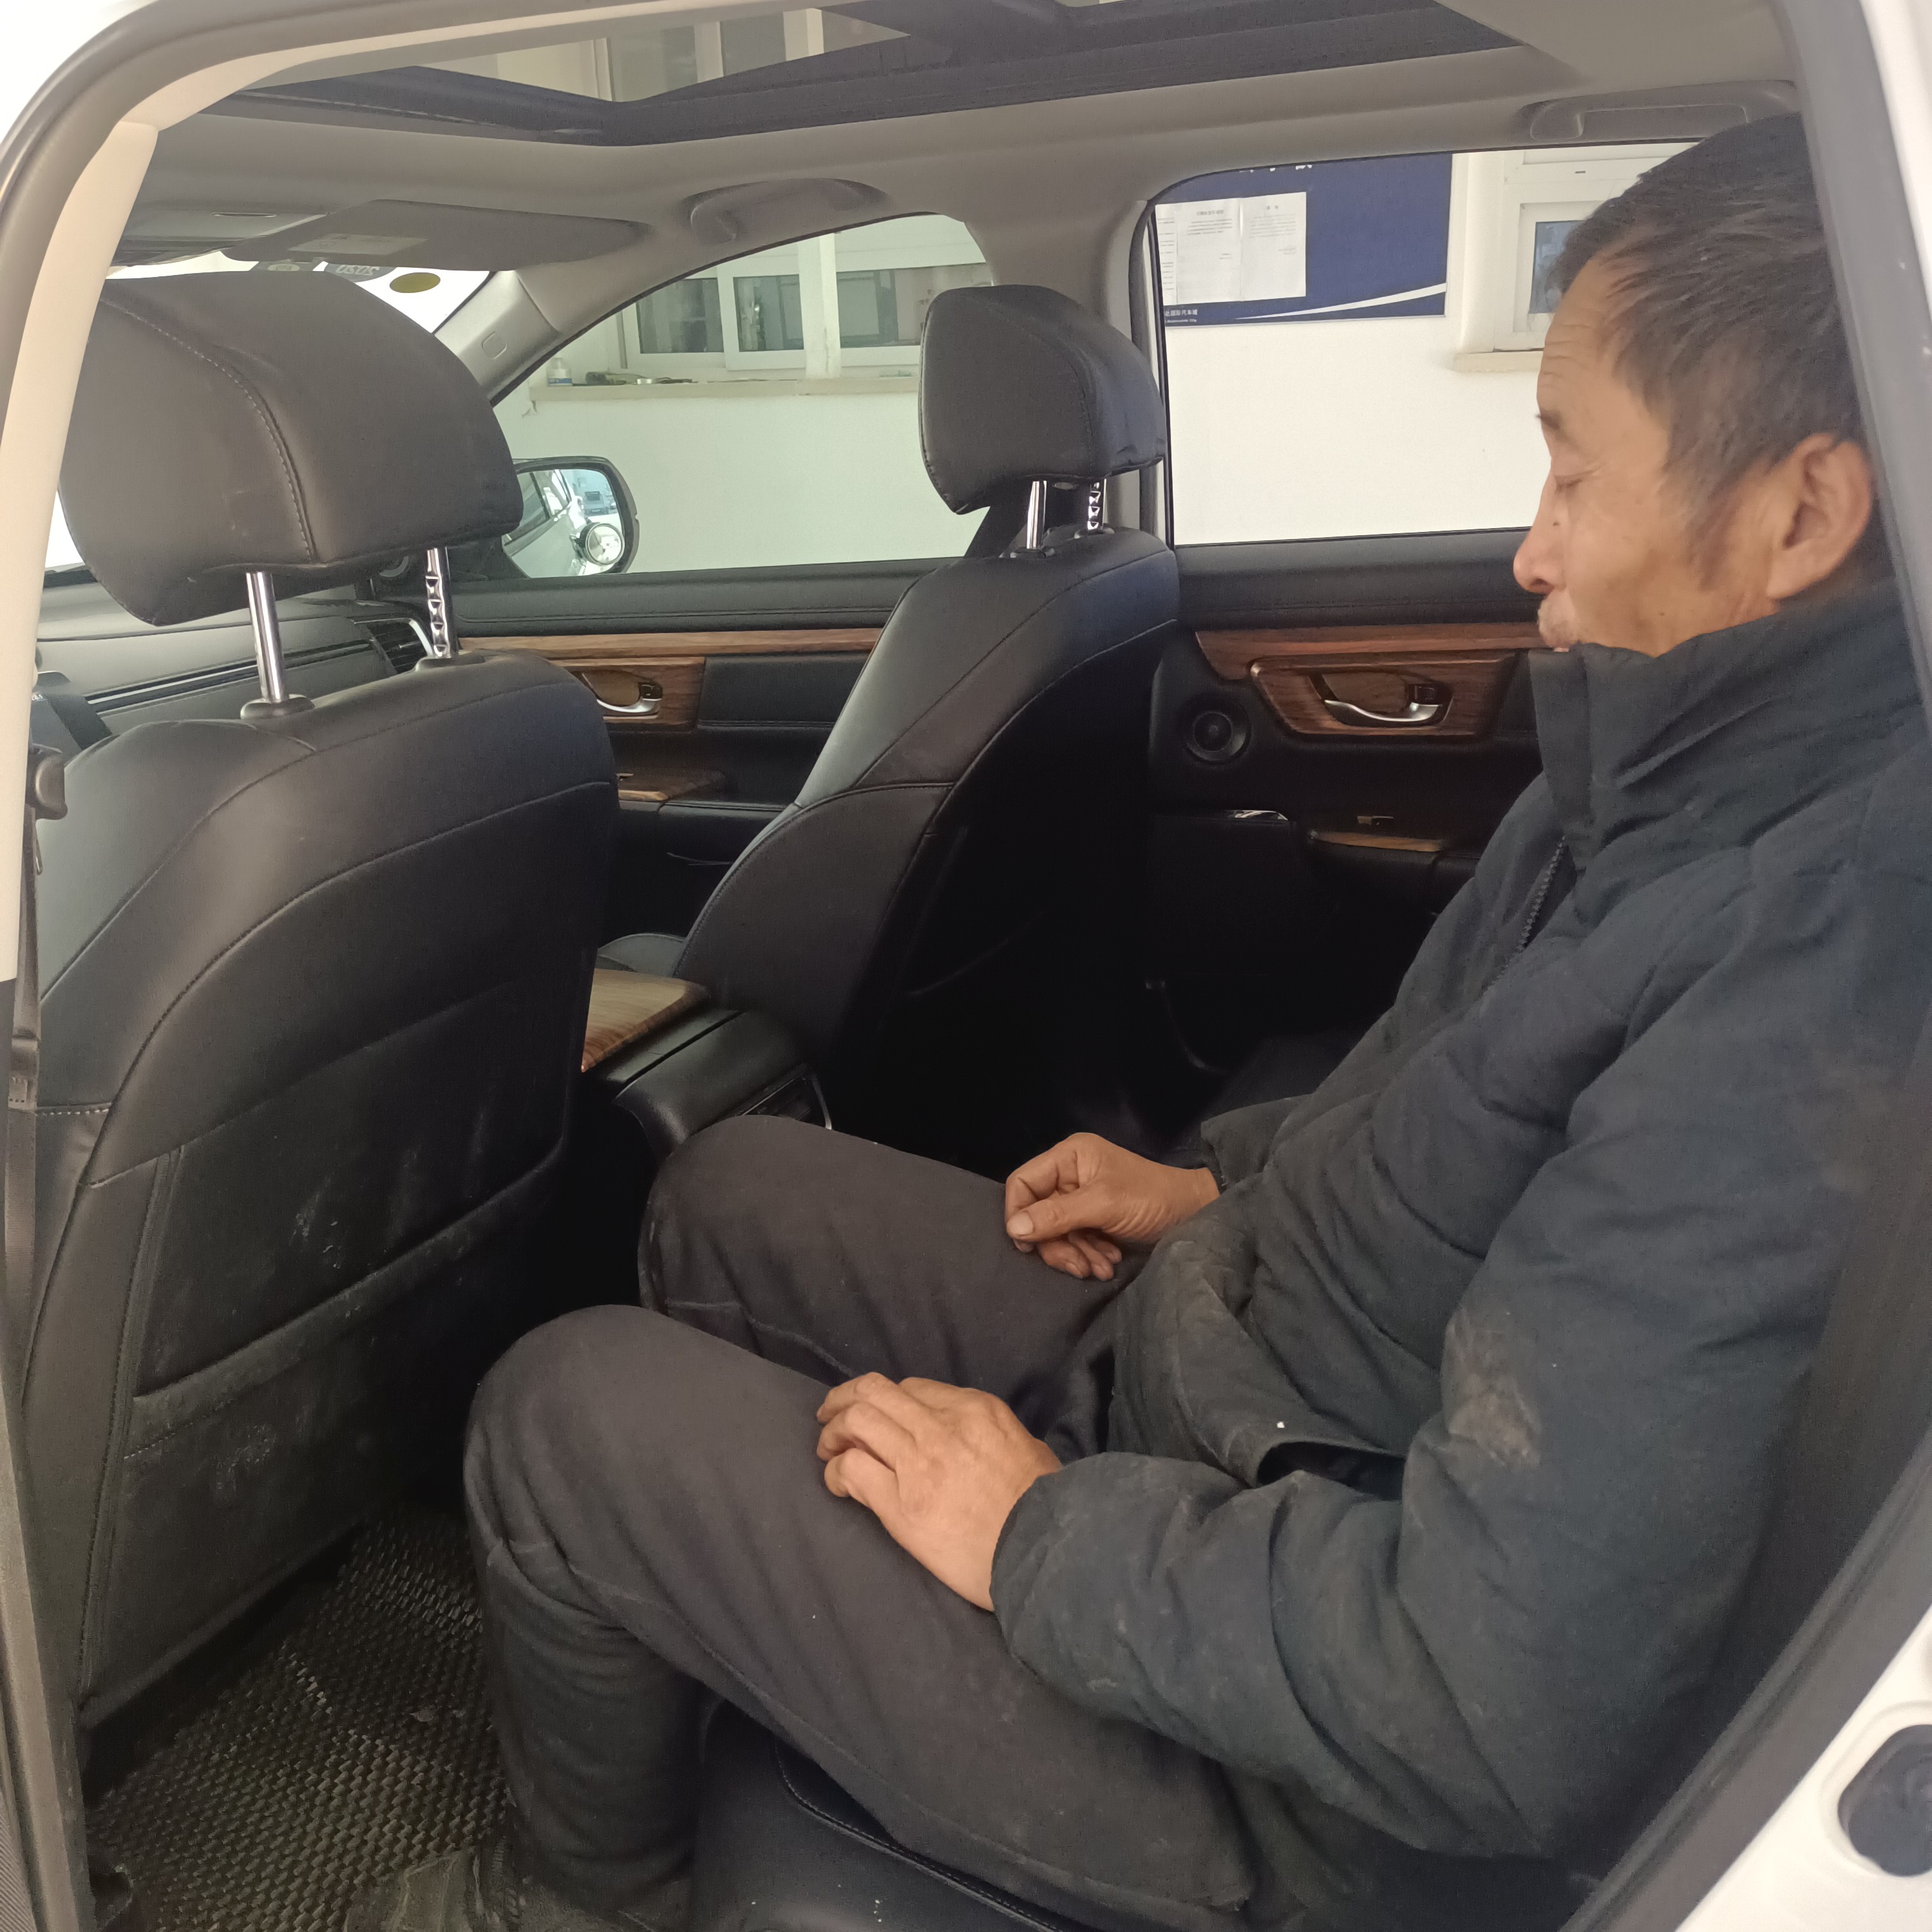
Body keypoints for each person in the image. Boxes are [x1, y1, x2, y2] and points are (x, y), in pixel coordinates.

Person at [352, 115, 1932, 1932]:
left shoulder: (1801, 983)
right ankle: (740, 1634)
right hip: (1240, 1396)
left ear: (1802, 513)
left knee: (561, 1412)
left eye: (1574, 472)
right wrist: (1215, 1190)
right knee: (723, 1194)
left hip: (1302, 1784)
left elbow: (1489, 1704)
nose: (1528, 547)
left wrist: (1030, 1533)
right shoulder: (1661, 782)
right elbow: (1447, 1108)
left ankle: (571, 1905)